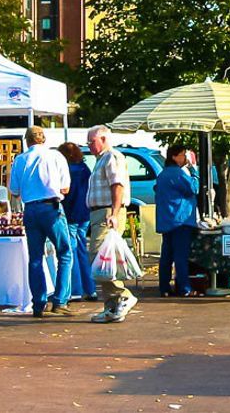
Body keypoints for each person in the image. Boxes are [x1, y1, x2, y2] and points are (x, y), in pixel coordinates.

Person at [8, 126, 73, 317]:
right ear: (44, 139)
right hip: (51, 207)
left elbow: (14, 190)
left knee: (35, 258)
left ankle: (38, 303)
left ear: (27, 141)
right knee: (64, 252)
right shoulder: (56, 157)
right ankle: (60, 301)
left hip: (31, 209)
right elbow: (65, 188)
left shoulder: (20, 160)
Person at [86, 125, 134, 323]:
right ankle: (112, 307)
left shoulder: (112, 157)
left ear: (104, 139)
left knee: (98, 257)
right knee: (104, 260)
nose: (89, 146)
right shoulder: (100, 160)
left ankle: (123, 295)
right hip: (99, 212)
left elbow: (118, 185)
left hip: (107, 212)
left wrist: (114, 213)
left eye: (91, 142)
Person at [153, 144, 199, 297]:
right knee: (180, 256)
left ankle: (164, 287)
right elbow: (194, 188)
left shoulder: (163, 174)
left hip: (167, 220)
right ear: (174, 156)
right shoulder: (177, 173)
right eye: (182, 155)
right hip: (180, 219)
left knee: (167, 255)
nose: (185, 158)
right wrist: (194, 169)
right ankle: (184, 288)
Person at [58, 142, 96, 302]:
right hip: (85, 213)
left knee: (70, 251)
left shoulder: (68, 170)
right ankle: (90, 288)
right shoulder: (85, 169)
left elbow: (65, 193)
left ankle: (76, 289)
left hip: (71, 214)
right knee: (82, 250)